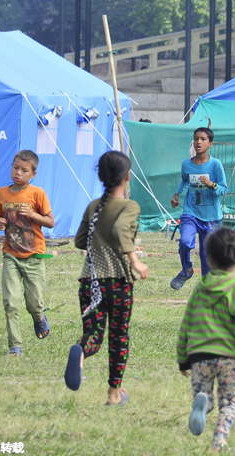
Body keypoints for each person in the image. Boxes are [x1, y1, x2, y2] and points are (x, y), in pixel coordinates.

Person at [64, 151, 149, 405]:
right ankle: (114, 394)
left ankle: (80, 353)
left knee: (93, 334)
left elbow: (81, 241)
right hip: (118, 283)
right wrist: (134, 260)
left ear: (101, 176)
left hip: (90, 283)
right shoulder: (129, 206)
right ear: (127, 177)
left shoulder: (93, 206)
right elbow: (122, 229)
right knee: (118, 337)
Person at [177, 227, 235, 452]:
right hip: (228, 358)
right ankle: (219, 441)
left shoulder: (200, 288)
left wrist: (182, 359)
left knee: (203, 392)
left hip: (199, 356)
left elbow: (186, 324)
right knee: (228, 403)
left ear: (208, 257)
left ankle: (203, 403)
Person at [0, 150, 55, 357]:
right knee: (11, 302)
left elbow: (50, 221)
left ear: (33, 174)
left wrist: (33, 215)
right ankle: (15, 346)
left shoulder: (37, 194)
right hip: (10, 254)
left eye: (24, 170)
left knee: (34, 302)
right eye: (15, 168)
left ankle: (39, 317)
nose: (18, 173)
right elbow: (1, 219)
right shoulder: (2, 193)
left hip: (34, 256)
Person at [170, 127, 227, 290]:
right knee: (185, 242)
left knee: (207, 253)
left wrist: (211, 184)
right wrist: (177, 194)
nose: (198, 142)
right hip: (191, 212)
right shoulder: (186, 164)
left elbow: (223, 189)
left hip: (211, 216)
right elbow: (185, 181)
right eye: (196, 139)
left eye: (202, 139)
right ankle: (186, 270)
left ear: (210, 144)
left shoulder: (215, 165)